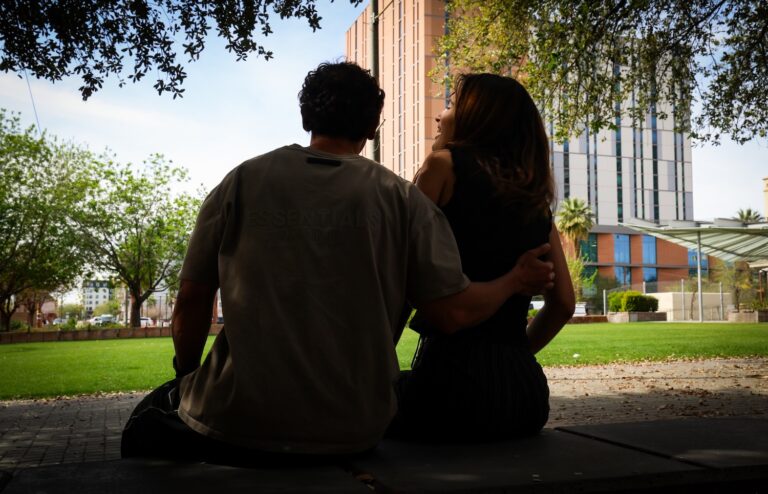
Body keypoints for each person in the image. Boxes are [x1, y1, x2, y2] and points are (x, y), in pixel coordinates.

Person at [121, 62, 555, 463]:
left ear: (306, 117)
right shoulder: (403, 200)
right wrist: (514, 279)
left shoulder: (241, 181)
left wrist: (187, 373)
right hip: (355, 428)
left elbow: (193, 298)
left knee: (143, 424)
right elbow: (453, 309)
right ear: (372, 125)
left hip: (233, 420)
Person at [390, 73, 575, 440]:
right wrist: (513, 356)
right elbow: (564, 303)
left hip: (449, 388)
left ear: (479, 116)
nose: (440, 116)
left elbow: (398, 278)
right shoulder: (534, 195)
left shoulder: (441, 167)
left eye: (453, 104)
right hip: (524, 394)